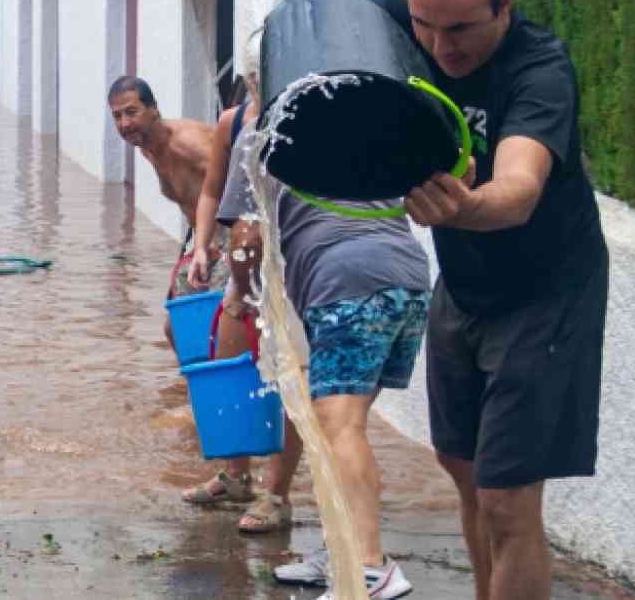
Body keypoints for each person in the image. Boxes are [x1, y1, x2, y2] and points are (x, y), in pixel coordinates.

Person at [382, 0, 610, 600]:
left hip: (546, 294)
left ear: (504, 5)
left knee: (508, 499)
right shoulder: (407, 12)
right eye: (424, 23)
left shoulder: (540, 70)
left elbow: (518, 189)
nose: (437, 45)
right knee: (462, 467)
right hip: (465, 286)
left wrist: (465, 209)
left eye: (459, 28)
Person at [210, 89, 432, 600]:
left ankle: (371, 569)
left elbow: (245, 237)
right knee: (339, 427)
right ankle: (342, 552)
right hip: (408, 281)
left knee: (340, 427)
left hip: (347, 282)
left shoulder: (263, 130)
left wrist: (241, 296)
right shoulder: (348, 108)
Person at [105, 76, 252, 503]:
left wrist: (226, 248)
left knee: (222, 336)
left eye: (132, 111)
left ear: (154, 109)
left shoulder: (187, 142)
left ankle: (232, 437)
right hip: (200, 240)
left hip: (230, 235)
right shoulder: (150, 148)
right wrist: (196, 245)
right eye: (117, 116)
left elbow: (241, 186)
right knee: (175, 329)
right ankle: (208, 409)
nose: (125, 123)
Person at [179, 92, 267, 509]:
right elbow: (213, 191)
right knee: (227, 364)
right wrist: (201, 245)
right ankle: (236, 476)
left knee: (288, 380)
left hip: (291, 266)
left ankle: (278, 496)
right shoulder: (232, 122)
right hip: (242, 268)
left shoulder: (306, 110)